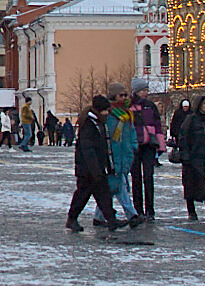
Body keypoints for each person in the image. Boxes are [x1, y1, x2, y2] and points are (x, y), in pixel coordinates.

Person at [66, 95, 122, 231]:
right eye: (105, 110)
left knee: (104, 195)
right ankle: (72, 218)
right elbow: (88, 151)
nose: (107, 113)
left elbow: (104, 147)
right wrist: (95, 170)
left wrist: (106, 166)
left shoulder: (99, 123)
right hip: (87, 169)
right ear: (99, 110)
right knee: (82, 195)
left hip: (97, 167)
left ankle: (111, 219)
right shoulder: (89, 125)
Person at [103, 87, 143, 227]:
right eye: (121, 95)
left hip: (125, 155)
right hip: (114, 156)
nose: (125, 98)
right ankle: (132, 215)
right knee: (120, 186)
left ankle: (99, 216)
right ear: (113, 97)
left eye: (126, 95)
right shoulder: (109, 115)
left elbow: (131, 132)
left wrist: (133, 146)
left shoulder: (127, 115)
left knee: (112, 188)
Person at [180, 96, 205, 222]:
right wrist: (186, 156)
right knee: (190, 185)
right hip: (193, 159)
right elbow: (183, 138)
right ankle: (191, 212)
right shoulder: (191, 119)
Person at [130, 81, 162, 221]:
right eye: (142, 90)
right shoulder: (129, 106)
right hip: (135, 145)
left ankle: (150, 209)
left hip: (149, 145)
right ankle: (138, 209)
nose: (145, 92)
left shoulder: (150, 106)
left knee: (148, 177)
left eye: (146, 90)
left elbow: (158, 125)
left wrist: (161, 145)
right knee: (136, 178)